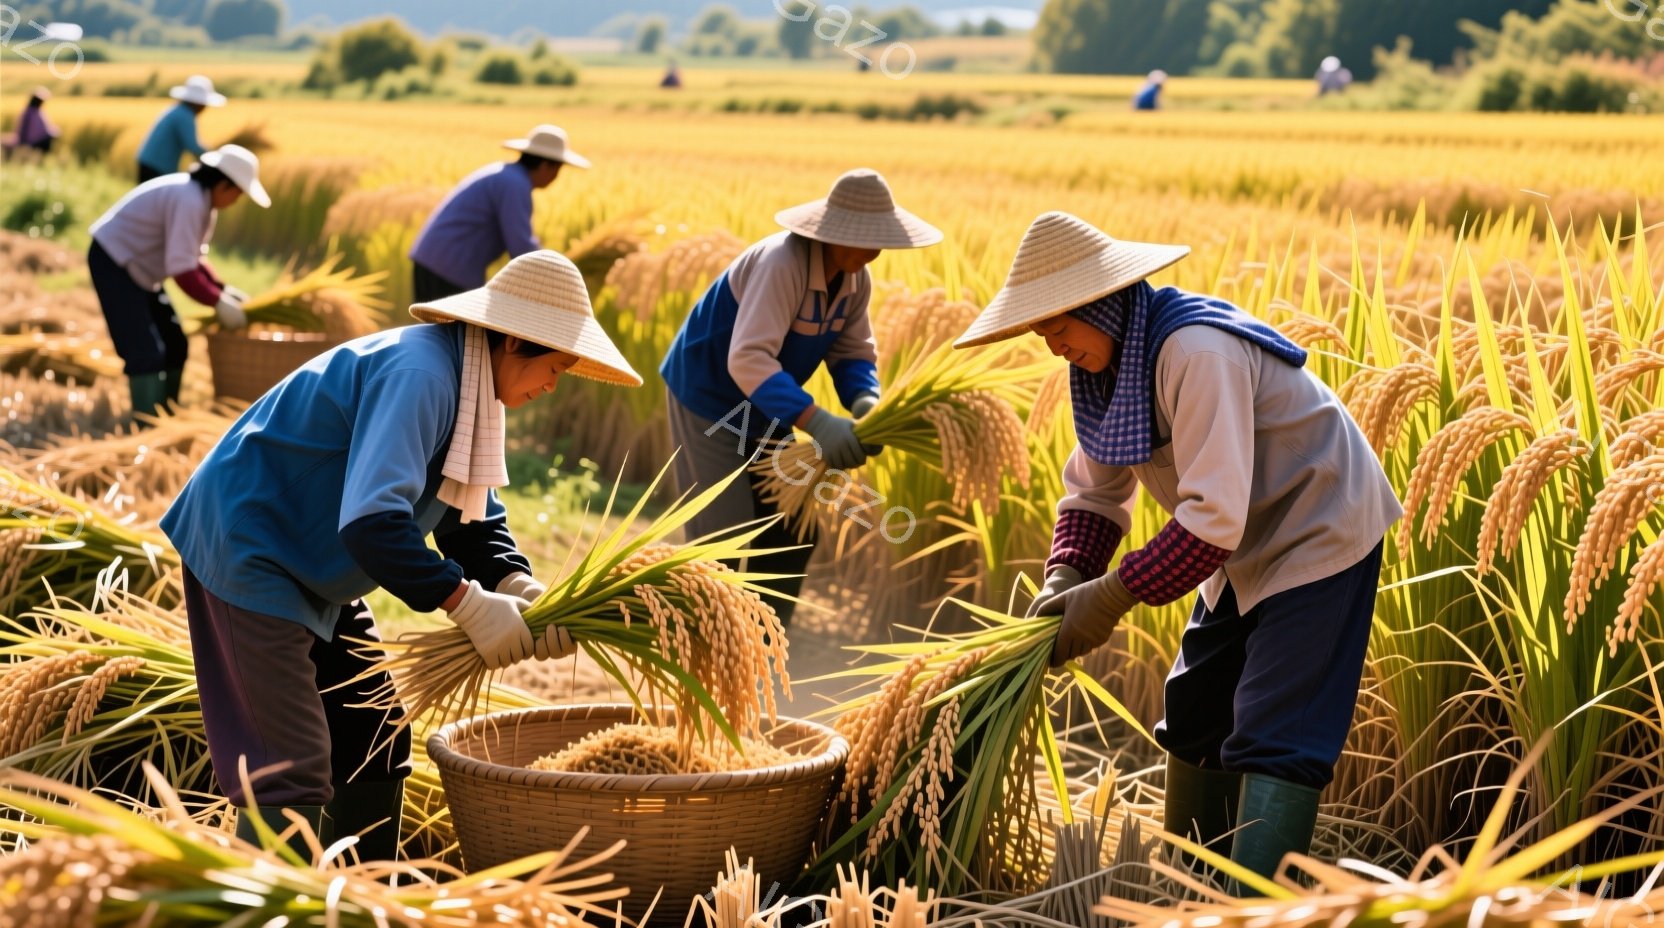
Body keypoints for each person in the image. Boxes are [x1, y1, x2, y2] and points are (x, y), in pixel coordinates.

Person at [953, 211, 1401, 890]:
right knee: (1194, 709)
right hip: (1242, 544)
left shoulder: (1194, 352)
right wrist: (1064, 575)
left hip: (1317, 527)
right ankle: (1191, 884)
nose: (1052, 345)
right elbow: (1097, 494)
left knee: (1274, 730)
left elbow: (1209, 523)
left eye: (1059, 326)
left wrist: (1106, 599)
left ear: (1100, 305)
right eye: (1040, 331)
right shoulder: (1108, 371)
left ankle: (1250, 907)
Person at [159, 250, 642, 859]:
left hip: (314, 562)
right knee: (291, 763)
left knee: (374, 737)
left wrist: (518, 586)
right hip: (252, 545)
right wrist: (467, 604)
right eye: (556, 366)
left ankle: (362, 900)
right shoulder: (423, 375)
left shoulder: (474, 394)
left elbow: (469, 524)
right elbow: (372, 523)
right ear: (515, 342)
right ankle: (274, 908)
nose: (553, 384)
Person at [659, 169, 941, 626]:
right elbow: (748, 359)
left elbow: (852, 353)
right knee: (724, 536)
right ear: (832, 234)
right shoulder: (781, 264)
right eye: (866, 238)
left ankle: (765, 647)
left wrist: (866, 401)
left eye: (880, 240)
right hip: (711, 398)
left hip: (766, 405)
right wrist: (817, 422)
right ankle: (705, 642)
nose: (874, 251)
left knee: (793, 530)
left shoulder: (854, 280)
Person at [88, 144, 267, 420]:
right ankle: (146, 426)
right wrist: (217, 303)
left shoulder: (203, 204)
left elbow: (195, 260)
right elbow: (182, 271)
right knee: (145, 351)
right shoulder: (190, 200)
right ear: (223, 185)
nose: (236, 200)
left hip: (141, 270)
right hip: (114, 261)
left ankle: (167, 414)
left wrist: (223, 290)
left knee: (175, 343)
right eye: (238, 194)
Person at [408, 124, 589, 304]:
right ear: (545, 166)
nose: (555, 177)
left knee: (437, 329)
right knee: (448, 332)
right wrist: (557, 275)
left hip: (435, 261)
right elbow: (521, 247)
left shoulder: (506, 175)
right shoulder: (515, 185)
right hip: (449, 267)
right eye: (557, 170)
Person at [136, 75, 226, 184]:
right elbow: (192, 145)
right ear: (197, 102)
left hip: (149, 162)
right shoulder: (185, 116)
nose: (205, 108)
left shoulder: (177, 110)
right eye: (204, 104)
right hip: (157, 166)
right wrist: (215, 157)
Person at [6, 86, 60, 159]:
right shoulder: (33, 113)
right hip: (32, 143)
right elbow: (39, 132)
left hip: (30, 142)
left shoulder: (30, 112)